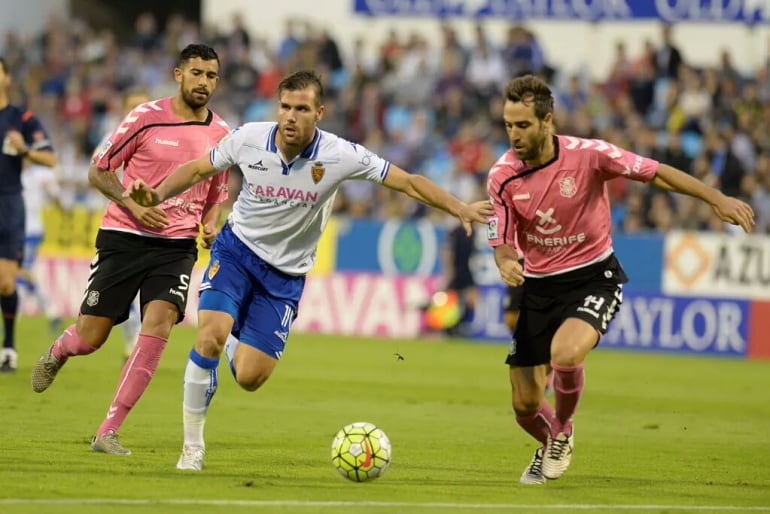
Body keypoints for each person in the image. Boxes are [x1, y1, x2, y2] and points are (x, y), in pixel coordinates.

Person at [125, 69, 492, 471]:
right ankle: (192, 447)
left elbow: (406, 182)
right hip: (236, 253)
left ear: (319, 112)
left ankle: (235, 341)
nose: (291, 116)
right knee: (208, 335)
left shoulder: (340, 155)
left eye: (301, 109)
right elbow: (197, 169)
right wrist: (156, 194)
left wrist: (459, 207)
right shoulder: (249, 138)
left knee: (250, 377)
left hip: (284, 277)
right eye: (285, 107)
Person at [486, 75, 754, 485]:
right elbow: (502, 240)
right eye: (508, 125)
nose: (513, 135)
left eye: (522, 125)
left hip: (594, 276)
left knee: (566, 354)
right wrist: (505, 261)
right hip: (538, 286)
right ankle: (554, 439)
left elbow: (657, 173)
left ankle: (560, 431)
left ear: (547, 121)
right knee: (524, 405)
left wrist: (715, 198)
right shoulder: (502, 176)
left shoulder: (590, 155)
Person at [30, 44, 231, 457]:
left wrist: (211, 225)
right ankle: (59, 350)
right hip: (124, 237)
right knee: (91, 337)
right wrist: (132, 203)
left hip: (176, 247)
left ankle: (109, 430)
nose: (204, 83)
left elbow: (216, 194)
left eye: (211, 76)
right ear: (178, 74)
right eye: (196, 73)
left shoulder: (221, 135)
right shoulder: (145, 118)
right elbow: (98, 171)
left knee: (159, 324)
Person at [0, 57, 57, 372]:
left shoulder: (21, 118)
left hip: (8, 204)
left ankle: (8, 346)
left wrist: (25, 151)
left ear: (7, 78)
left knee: (6, 284)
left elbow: (50, 159)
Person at [95, 89, 152, 360]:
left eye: (141, 107)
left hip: (155, 224)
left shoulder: (161, 137)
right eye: (131, 107)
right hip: (121, 224)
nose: (136, 112)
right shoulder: (115, 138)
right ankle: (132, 338)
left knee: (149, 290)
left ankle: (141, 341)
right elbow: (97, 172)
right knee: (124, 292)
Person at [17, 162, 62, 333]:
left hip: (33, 230)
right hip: (18, 231)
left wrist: (53, 193)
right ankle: (52, 313)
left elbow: (56, 194)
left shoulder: (40, 174)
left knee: (21, 269)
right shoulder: (13, 174)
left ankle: (15, 316)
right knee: (21, 272)